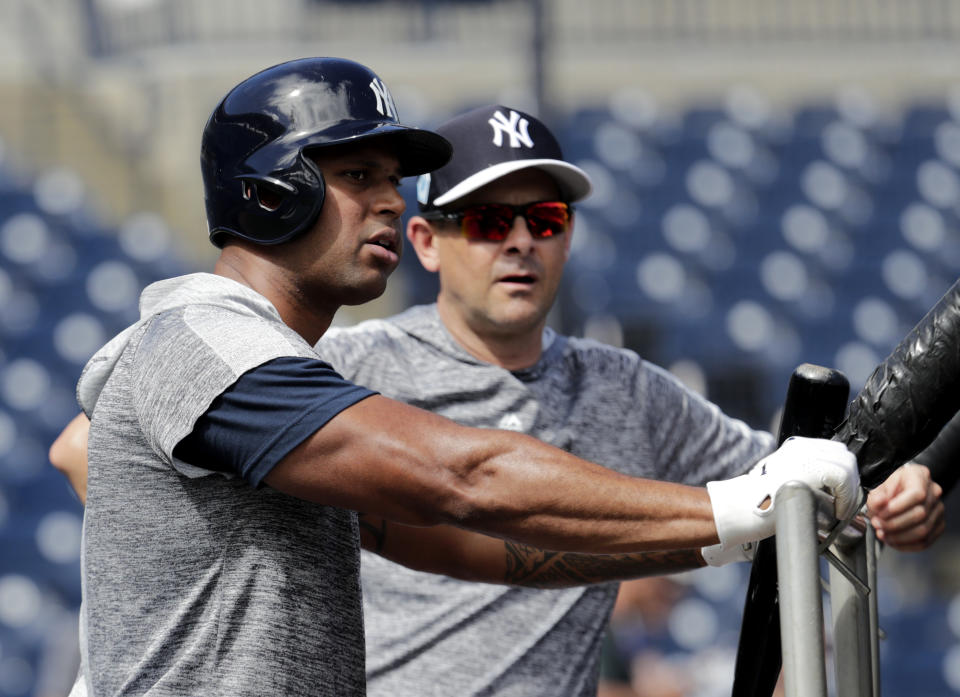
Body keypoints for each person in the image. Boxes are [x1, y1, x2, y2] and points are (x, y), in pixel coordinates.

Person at [54, 58, 863, 697]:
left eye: (391, 180)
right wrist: (740, 502)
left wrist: (719, 533)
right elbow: (462, 475)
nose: (388, 201)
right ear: (270, 191)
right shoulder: (206, 339)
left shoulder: (277, 365)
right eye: (358, 176)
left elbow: (482, 551)